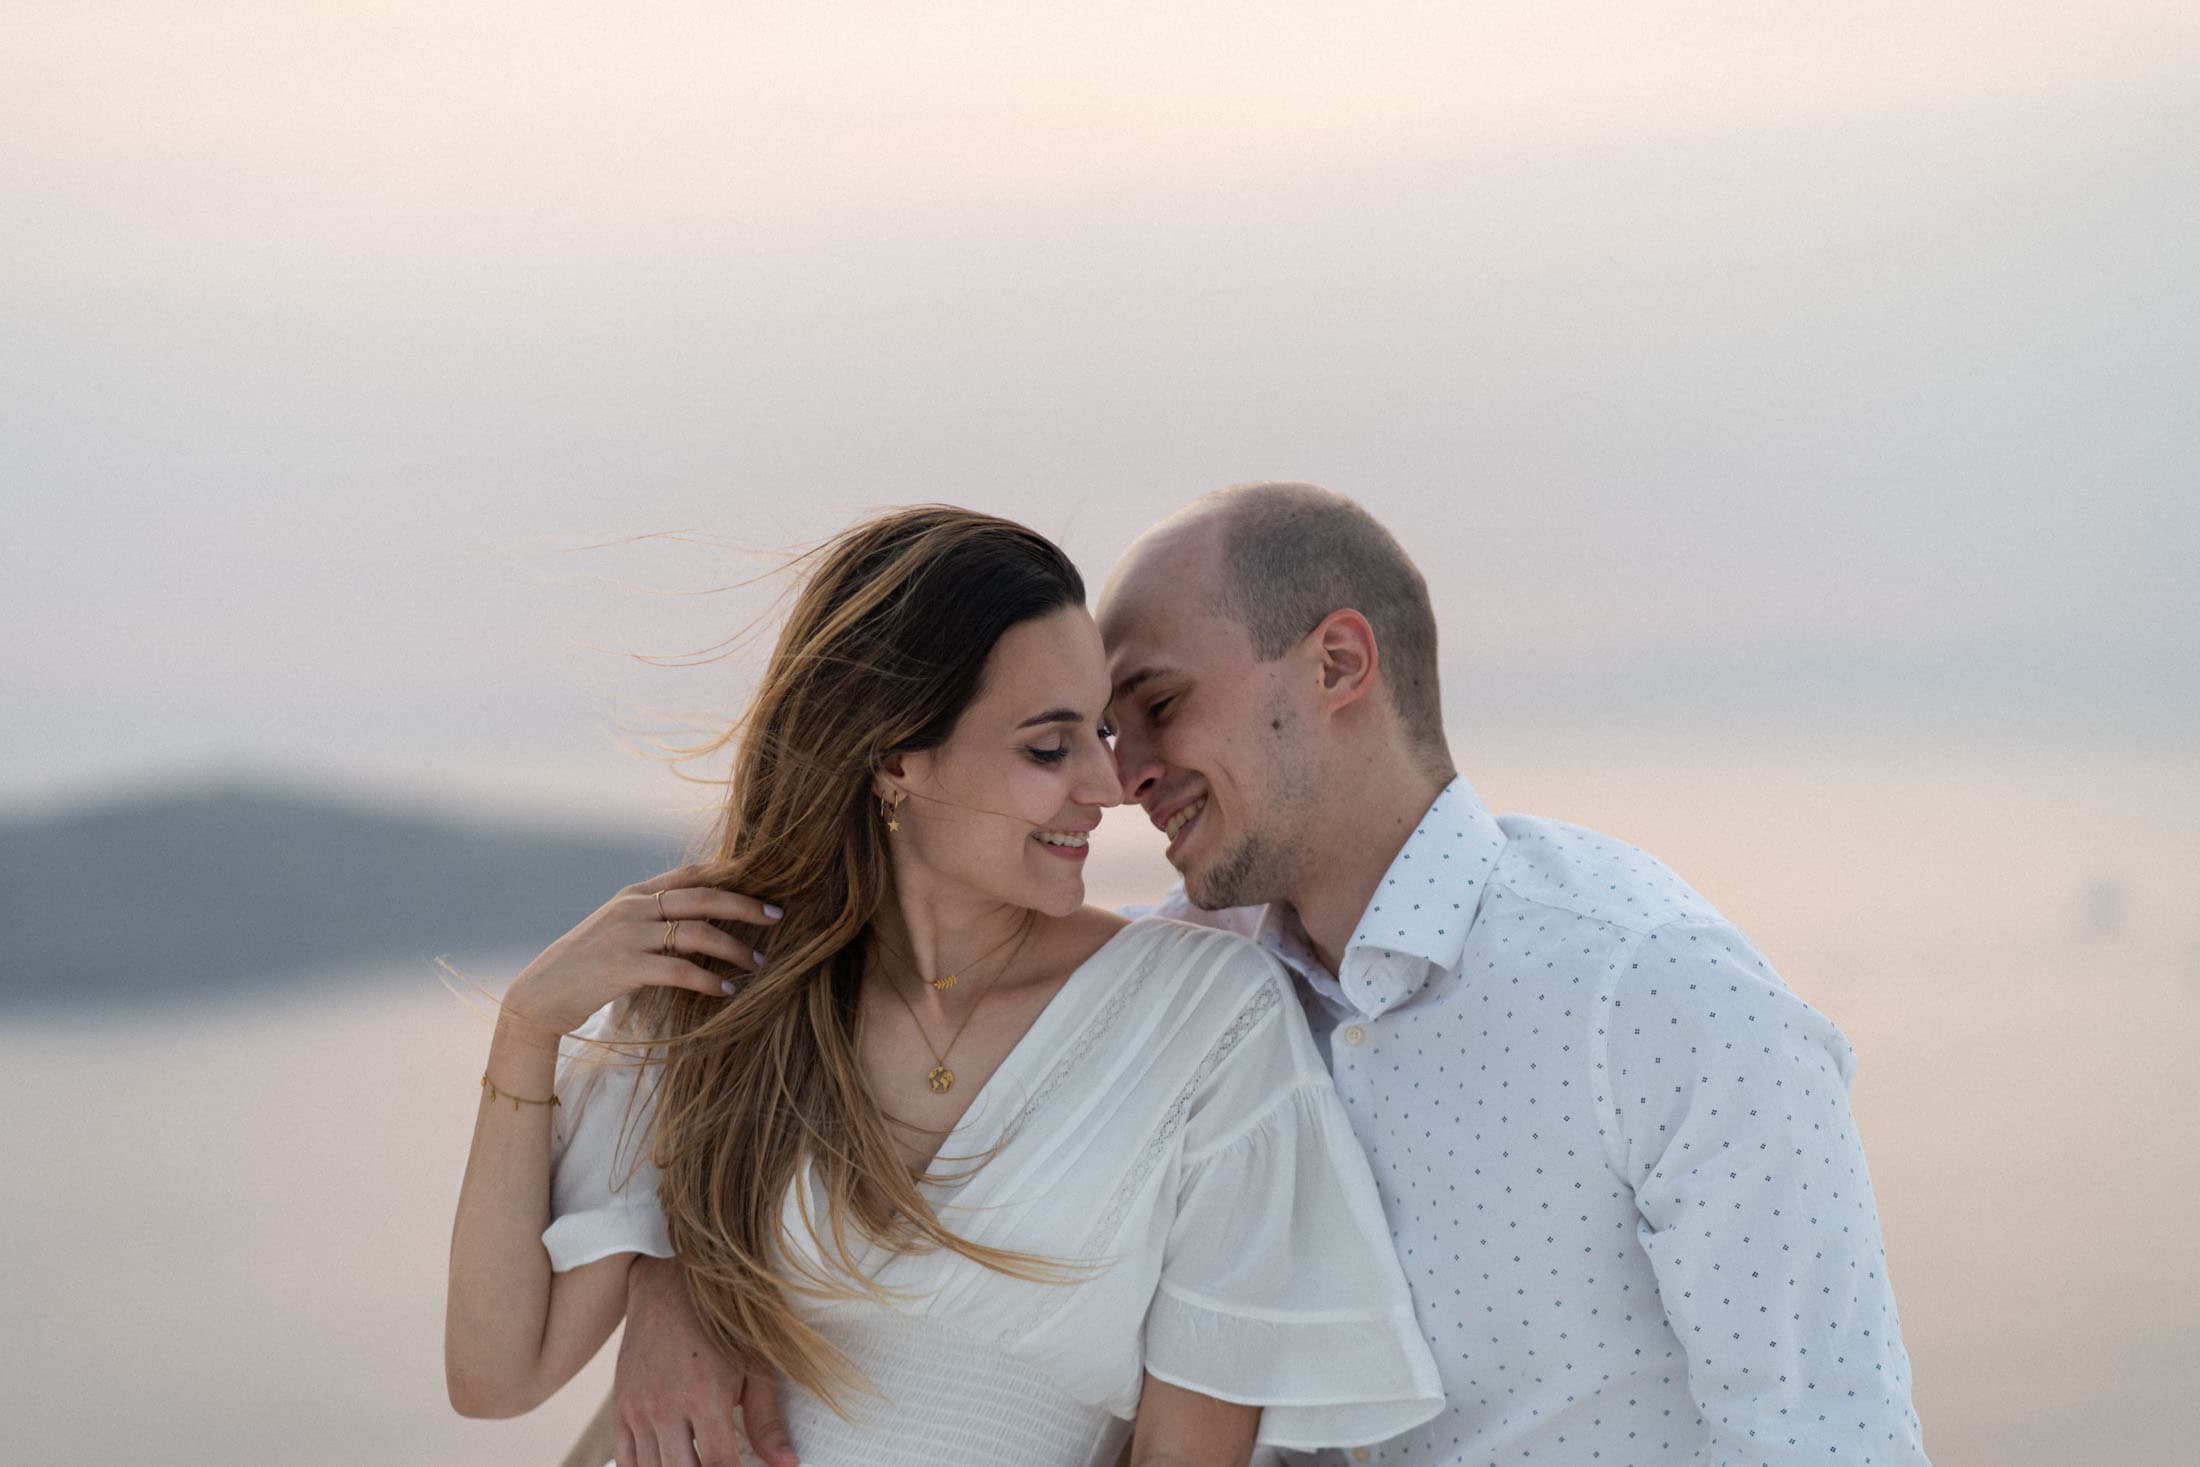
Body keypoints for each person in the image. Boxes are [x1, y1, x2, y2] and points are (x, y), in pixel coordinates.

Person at [590, 482, 1932, 1467]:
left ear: (1339, 663)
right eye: (1097, 734)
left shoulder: (1654, 994)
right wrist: (672, 1288)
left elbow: (1828, 1434)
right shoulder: (1181, 988)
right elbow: (824, 1049)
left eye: (1157, 706)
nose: (1122, 780)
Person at [444, 505, 1445, 1467]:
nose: (1106, 786)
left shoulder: (1204, 1018)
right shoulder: (720, 989)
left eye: (1101, 734)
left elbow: (1189, 1449)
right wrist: (528, 1027)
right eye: (1048, 748)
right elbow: (497, 1377)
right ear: (894, 762)